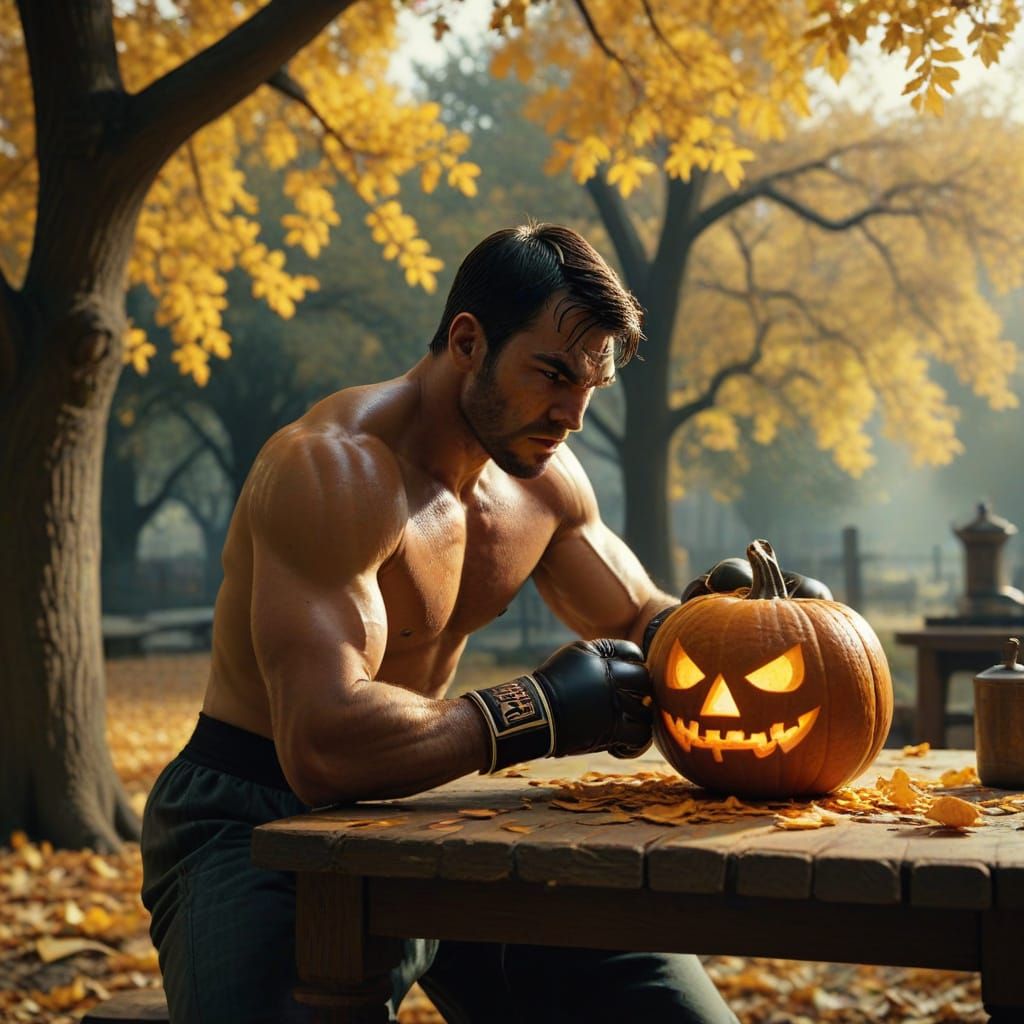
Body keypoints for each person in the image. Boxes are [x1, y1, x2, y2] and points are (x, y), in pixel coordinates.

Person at [141, 223, 739, 1024]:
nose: (572, 414)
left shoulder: (542, 481)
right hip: (255, 812)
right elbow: (320, 742)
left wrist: (734, 618)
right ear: (468, 341)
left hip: (434, 802)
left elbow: (639, 614)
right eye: (552, 373)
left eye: (590, 385)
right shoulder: (333, 468)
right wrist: (536, 712)